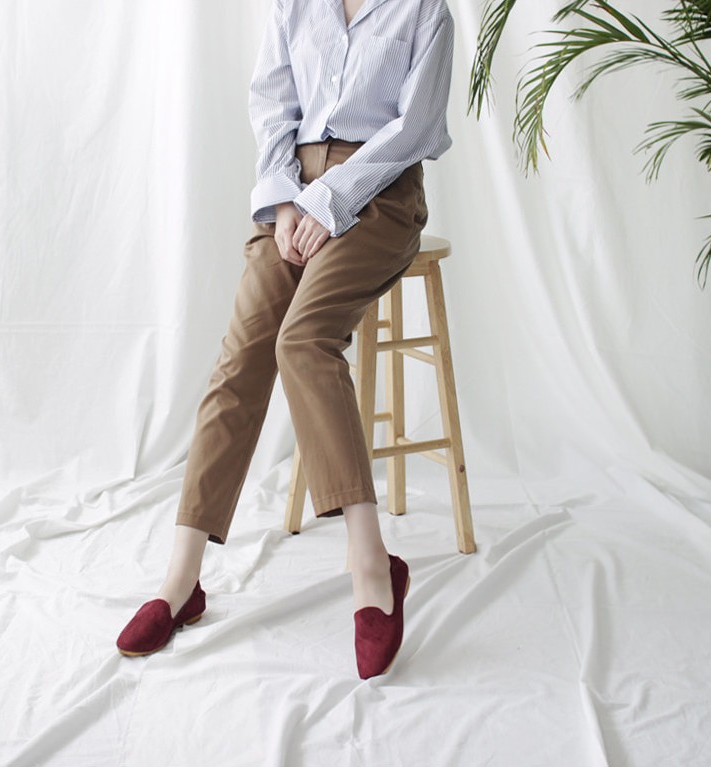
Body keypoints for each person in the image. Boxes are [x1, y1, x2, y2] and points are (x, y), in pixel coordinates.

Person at [116, 0, 455, 679]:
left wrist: (329, 199)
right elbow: (273, 106)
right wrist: (284, 203)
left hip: (380, 192)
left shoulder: (425, 11)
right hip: (291, 191)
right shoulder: (293, 5)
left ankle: (372, 565)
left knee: (302, 341)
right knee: (241, 355)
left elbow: (414, 128)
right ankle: (181, 579)